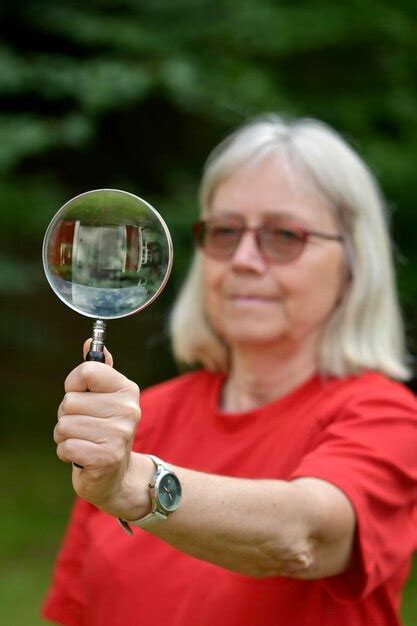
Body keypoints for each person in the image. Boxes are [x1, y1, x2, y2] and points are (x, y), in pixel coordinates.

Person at [42, 115, 416, 626]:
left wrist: (137, 486)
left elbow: (305, 536)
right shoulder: (134, 416)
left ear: (354, 265)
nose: (243, 259)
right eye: (225, 231)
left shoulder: (388, 417)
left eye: (284, 235)